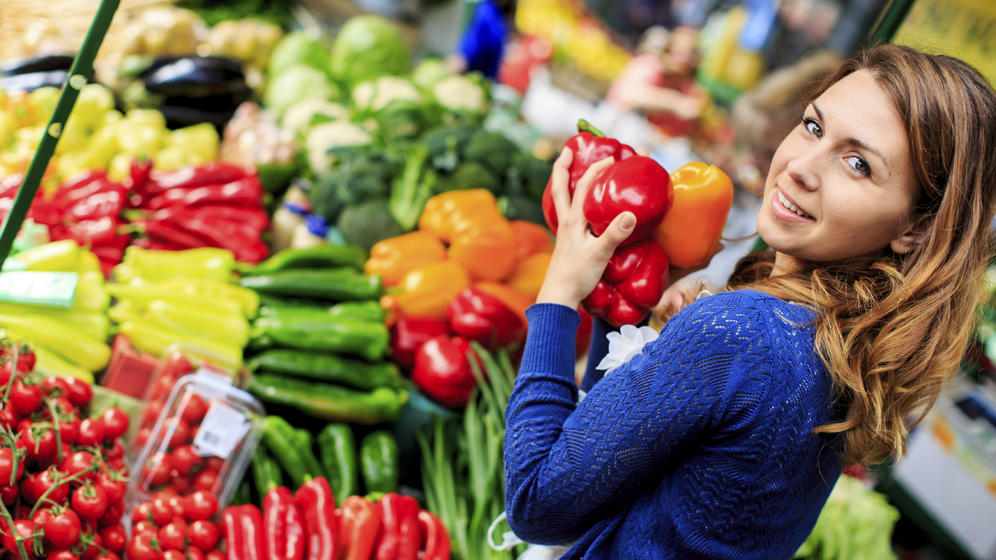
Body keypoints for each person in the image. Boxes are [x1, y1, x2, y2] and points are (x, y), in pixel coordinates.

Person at [503, 44, 996, 558]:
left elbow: (538, 503)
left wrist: (558, 295)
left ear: (916, 228)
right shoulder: (841, 347)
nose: (802, 167)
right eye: (812, 127)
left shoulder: (743, 332)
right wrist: (624, 302)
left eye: (857, 164)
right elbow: (607, 456)